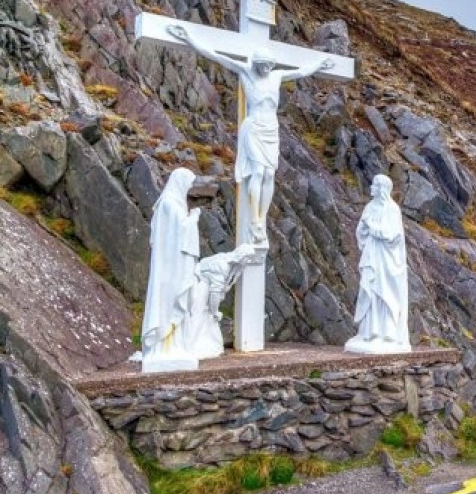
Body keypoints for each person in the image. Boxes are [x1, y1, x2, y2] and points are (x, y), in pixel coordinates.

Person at [165, 24, 336, 244]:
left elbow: (301, 71)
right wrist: (189, 38)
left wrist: (320, 63)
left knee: (269, 175)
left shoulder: (277, 76)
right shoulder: (246, 72)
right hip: (254, 127)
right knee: (257, 172)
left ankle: (261, 219)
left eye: (268, 66)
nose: (265, 69)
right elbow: (215, 55)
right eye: (262, 65)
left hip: (271, 130)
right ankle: (254, 218)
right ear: (255, 63)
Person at [141, 168, 200, 369]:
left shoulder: (173, 204)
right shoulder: (169, 204)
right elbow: (181, 232)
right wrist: (194, 218)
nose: (189, 190)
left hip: (175, 264)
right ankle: (165, 345)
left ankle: (175, 345)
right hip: (170, 267)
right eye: (188, 184)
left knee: (175, 303)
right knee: (168, 303)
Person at [345, 174, 410, 354]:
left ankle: (386, 333)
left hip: (386, 260)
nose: (371, 188)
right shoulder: (370, 207)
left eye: (374, 185)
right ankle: (369, 332)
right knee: (371, 291)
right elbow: (361, 231)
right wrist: (366, 228)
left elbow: (394, 235)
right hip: (372, 255)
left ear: (382, 188)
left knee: (385, 293)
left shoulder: (392, 209)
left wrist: (374, 228)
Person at [177, 244, 258, 360]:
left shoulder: (232, 265)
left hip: (204, 287)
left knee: (206, 320)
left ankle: (202, 344)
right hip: (201, 288)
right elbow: (214, 293)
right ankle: (191, 347)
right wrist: (215, 311)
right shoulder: (223, 266)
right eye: (247, 257)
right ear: (241, 256)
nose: (248, 261)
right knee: (198, 318)